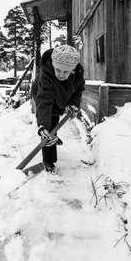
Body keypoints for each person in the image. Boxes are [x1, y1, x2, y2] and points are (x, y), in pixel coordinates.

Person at [31, 44, 85, 173]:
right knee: (49, 125)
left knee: (54, 120)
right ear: (53, 65)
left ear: (73, 69)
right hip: (43, 94)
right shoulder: (46, 74)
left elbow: (78, 90)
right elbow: (44, 101)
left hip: (61, 94)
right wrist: (43, 126)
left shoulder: (77, 73)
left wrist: (74, 104)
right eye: (58, 69)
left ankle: (53, 134)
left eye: (66, 71)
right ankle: (49, 161)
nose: (61, 74)